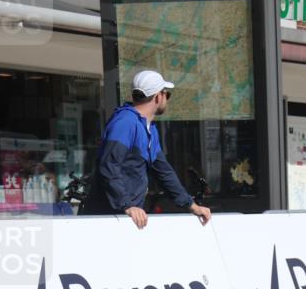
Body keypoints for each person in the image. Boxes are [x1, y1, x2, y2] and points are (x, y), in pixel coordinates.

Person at [84, 70, 211, 229]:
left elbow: (163, 171)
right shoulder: (125, 123)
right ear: (158, 97)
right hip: (105, 220)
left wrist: (191, 205)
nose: (167, 99)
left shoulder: (148, 128)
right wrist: (127, 205)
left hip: (127, 217)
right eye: (167, 94)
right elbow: (109, 166)